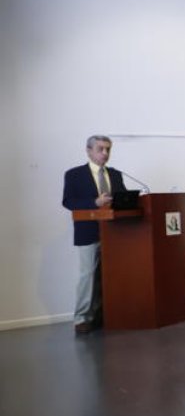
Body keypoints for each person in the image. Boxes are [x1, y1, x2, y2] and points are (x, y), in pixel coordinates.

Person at [61, 135, 128, 334]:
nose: (105, 153)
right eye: (100, 149)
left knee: (110, 275)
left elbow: (123, 199)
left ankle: (105, 314)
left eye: (108, 149)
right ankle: (82, 318)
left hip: (114, 233)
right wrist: (94, 203)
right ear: (89, 150)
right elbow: (68, 201)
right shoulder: (74, 174)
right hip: (88, 232)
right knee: (88, 275)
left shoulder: (115, 174)